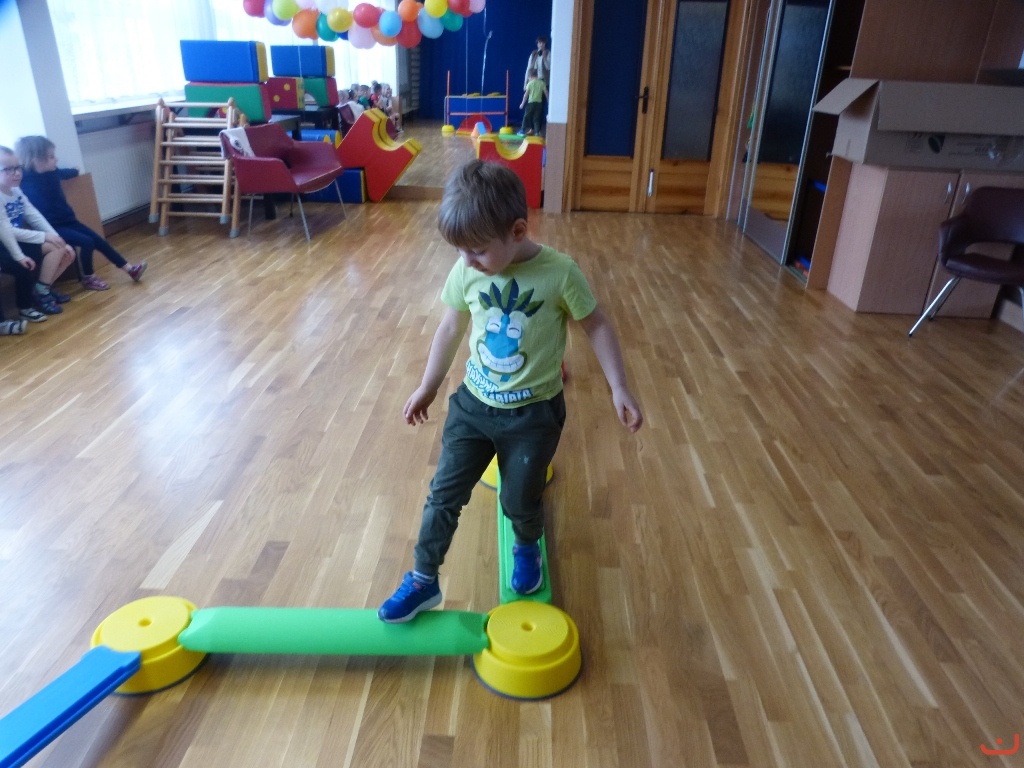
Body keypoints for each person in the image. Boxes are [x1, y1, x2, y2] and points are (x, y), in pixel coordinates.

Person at [378, 160, 644, 623]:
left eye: (478, 251)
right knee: (443, 495)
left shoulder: (559, 273)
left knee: (520, 499)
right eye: (460, 251)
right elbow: (450, 327)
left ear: (518, 231)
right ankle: (423, 578)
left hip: (533, 417)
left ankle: (526, 545)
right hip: (472, 408)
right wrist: (428, 386)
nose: (467, 261)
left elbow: (597, 325)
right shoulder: (467, 270)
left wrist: (618, 387)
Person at [15, 136, 146, 291]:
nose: (56, 159)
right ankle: (89, 277)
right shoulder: (24, 179)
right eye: (51, 157)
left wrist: (75, 170)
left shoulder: (53, 172)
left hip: (69, 221)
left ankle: (130, 270)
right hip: (51, 228)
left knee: (99, 241)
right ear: (36, 160)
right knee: (86, 242)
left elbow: (66, 173)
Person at [0, 146, 74, 318]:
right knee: (52, 250)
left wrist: (56, 237)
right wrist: (44, 236)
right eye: (9, 169)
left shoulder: (16, 191)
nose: (17, 173)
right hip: (4, 246)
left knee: (63, 251)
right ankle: (40, 294)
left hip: (18, 241)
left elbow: (34, 216)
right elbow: (5, 230)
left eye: (18, 167)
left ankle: (42, 290)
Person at [524, 35, 551, 135]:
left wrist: (544, 57)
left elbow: (549, 67)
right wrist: (526, 83)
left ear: (545, 44)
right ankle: (531, 128)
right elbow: (529, 68)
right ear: (537, 44)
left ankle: (537, 130)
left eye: (543, 43)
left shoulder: (548, 53)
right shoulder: (533, 54)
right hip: (533, 82)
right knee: (531, 106)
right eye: (539, 43)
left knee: (540, 107)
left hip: (543, 82)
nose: (541, 45)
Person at [520, 68, 547, 136]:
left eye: (529, 78)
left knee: (526, 117)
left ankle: (522, 130)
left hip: (531, 103)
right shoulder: (542, 83)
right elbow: (546, 93)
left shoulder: (529, 84)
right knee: (536, 119)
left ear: (531, 76)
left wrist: (522, 104)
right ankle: (537, 132)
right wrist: (549, 101)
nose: (528, 79)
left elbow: (526, 95)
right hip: (539, 104)